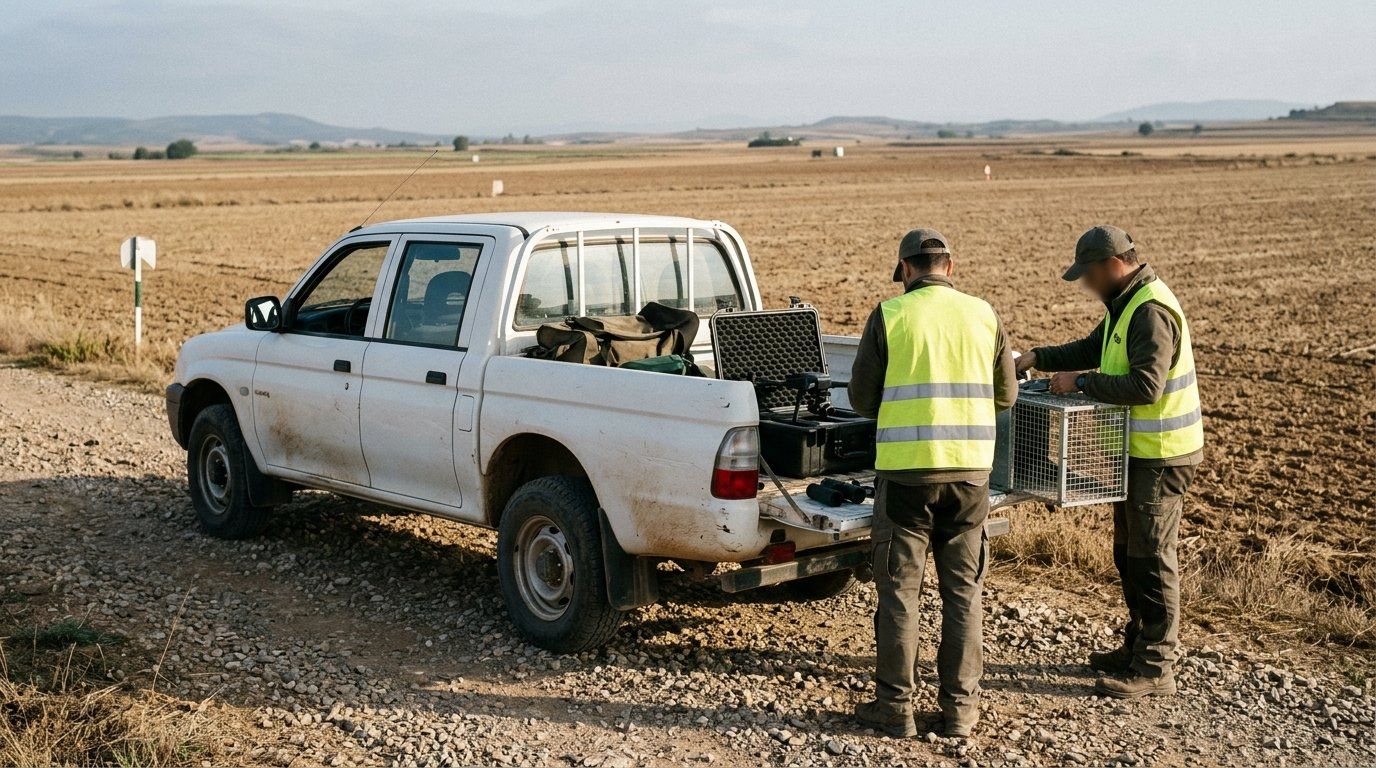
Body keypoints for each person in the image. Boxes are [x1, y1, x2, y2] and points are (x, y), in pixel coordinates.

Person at [1017, 225, 1204, 699]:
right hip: (1138, 456)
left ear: (1111, 265)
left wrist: (1080, 384)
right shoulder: (1126, 305)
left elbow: (1146, 387)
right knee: (1129, 556)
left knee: (1152, 559)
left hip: (1162, 456)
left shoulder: (1150, 312)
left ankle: (1156, 667)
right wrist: (1036, 358)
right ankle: (1137, 647)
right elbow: (1090, 348)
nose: (1085, 284)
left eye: (1088, 275)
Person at [848, 229, 1017, 738]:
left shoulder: (890, 316)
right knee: (963, 593)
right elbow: (1006, 396)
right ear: (951, 265)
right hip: (969, 478)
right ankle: (960, 712)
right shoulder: (985, 314)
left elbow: (860, 400)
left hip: (905, 478)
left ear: (904, 269)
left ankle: (895, 709)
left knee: (901, 593)